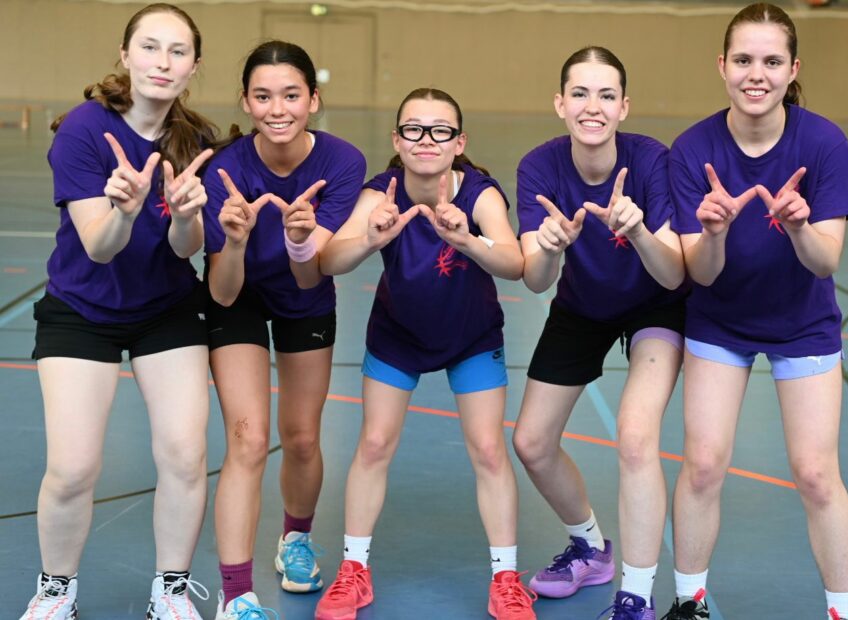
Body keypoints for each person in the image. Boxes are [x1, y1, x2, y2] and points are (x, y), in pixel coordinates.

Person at [22, 3, 216, 619]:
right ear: (126, 56)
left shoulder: (196, 140)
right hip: (82, 308)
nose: (163, 62)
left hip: (166, 309)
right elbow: (99, 247)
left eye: (177, 51)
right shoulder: (83, 130)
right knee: (73, 468)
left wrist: (185, 214)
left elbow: (191, 250)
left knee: (185, 455)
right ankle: (56, 592)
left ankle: (171, 591)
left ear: (193, 66)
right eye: (151, 47)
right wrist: (127, 210)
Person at [666, 4, 848, 619]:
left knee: (815, 474)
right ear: (722, 65)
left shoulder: (824, 141)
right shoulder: (693, 147)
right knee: (701, 465)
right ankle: (688, 602)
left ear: (792, 68)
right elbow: (700, 272)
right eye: (744, 60)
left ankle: (843, 612)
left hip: (802, 323)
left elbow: (826, 263)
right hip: (720, 321)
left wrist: (799, 225)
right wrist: (715, 230)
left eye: (772, 61)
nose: (758, 73)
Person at [315, 87, 536, 620]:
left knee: (488, 449)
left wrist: (467, 241)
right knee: (373, 444)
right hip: (398, 335)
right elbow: (329, 260)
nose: (426, 139)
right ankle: (354, 570)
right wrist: (368, 239)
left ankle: (506, 577)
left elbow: (516, 264)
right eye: (413, 128)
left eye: (441, 130)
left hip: (471, 336)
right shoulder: (379, 195)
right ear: (397, 139)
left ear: (459, 142)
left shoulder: (478, 195)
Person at [511, 47, 687, 620]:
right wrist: (551, 248)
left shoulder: (651, 160)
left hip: (654, 306)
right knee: (531, 443)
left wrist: (638, 233)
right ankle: (590, 546)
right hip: (581, 304)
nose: (593, 106)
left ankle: (634, 596)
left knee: (636, 437)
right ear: (560, 103)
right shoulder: (539, 167)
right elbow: (535, 279)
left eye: (606, 95)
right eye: (580, 94)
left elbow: (674, 271)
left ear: (623, 106)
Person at [201, 40, 366, 618]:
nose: (278, 108)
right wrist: (238, 241)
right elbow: (220, 291)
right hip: (238, 294)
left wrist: (299, 237)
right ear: (245, 101)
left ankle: (295, 537)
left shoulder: (343, 163)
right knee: (247, 438)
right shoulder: (223, 168)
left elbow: (307, 276)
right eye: (263, 95)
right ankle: (236, 593)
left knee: (300, 438)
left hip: (304, 294)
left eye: (292, 95)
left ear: (313, 100)